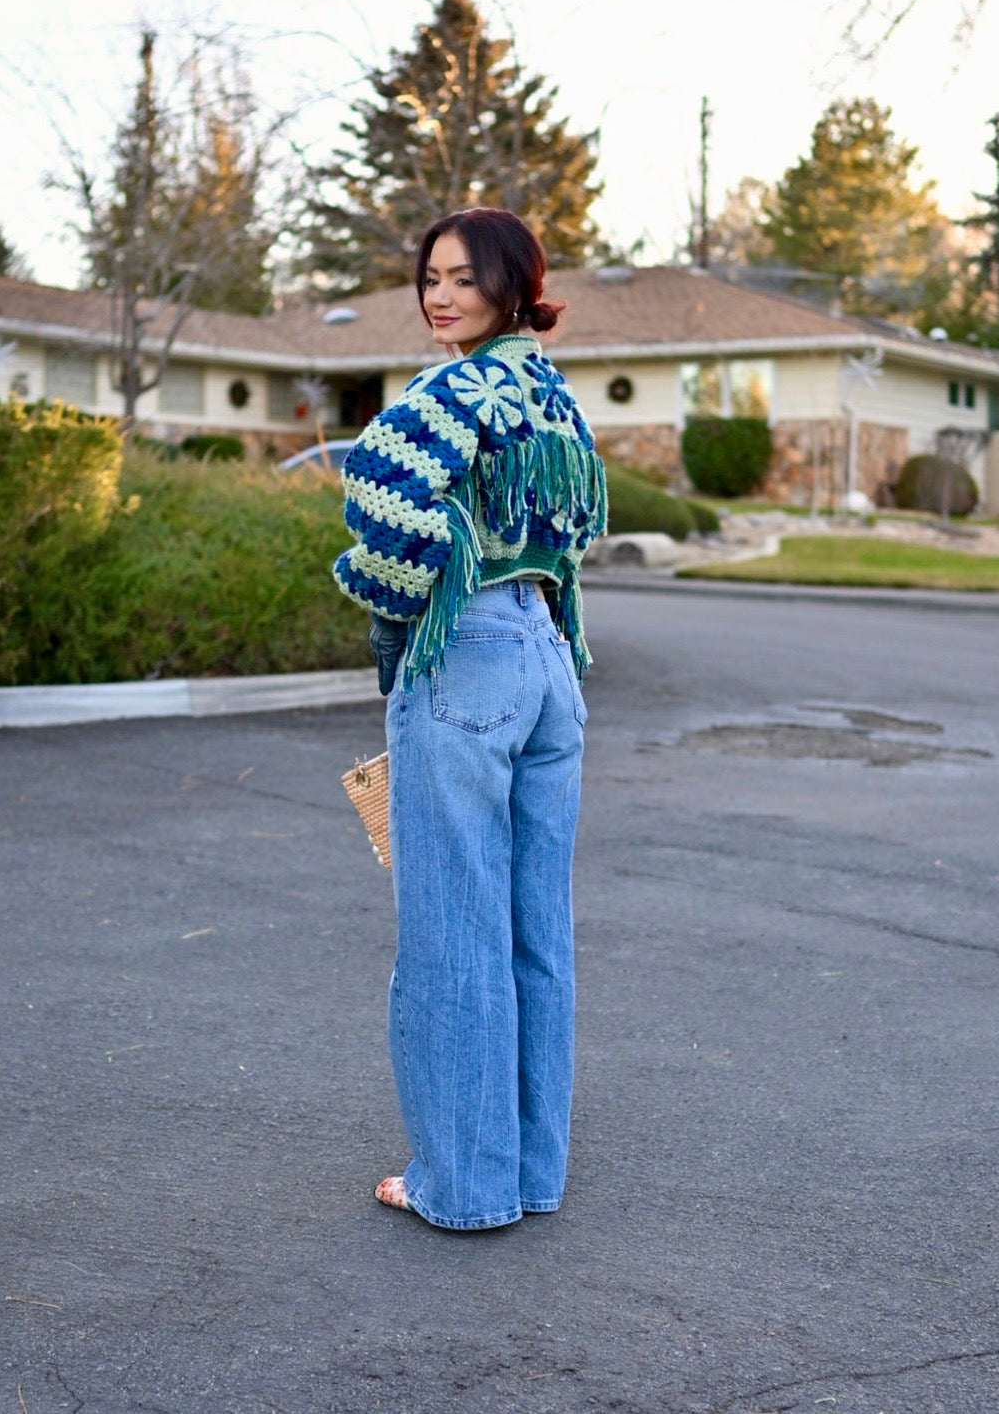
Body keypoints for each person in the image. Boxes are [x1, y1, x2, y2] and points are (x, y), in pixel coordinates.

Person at [333, 207, 607, 1231]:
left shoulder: (451, 386)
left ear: (508, 284)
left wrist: (394, 600)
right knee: (535, 932)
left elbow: (381, 495)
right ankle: (529, 1175)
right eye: (430, 277)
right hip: (546, 658)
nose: (440, 295)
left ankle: (461, 1185)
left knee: (453, 932)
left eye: (463, 277)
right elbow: (571, 534)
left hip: (468, 656)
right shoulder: (549, 392)